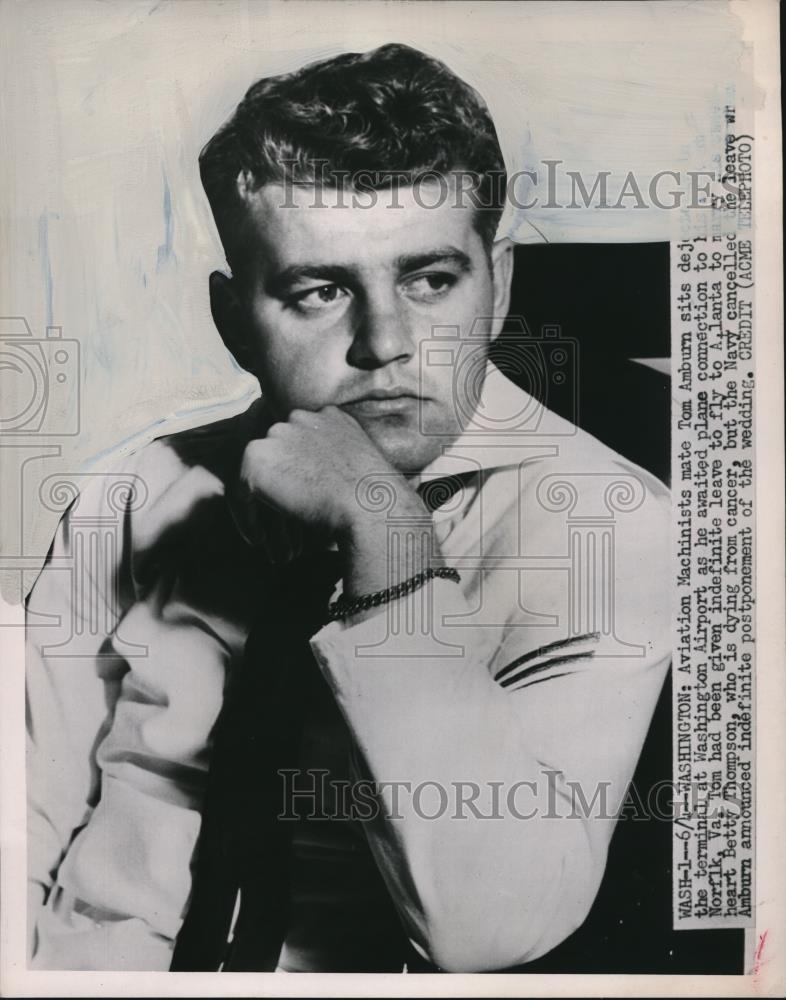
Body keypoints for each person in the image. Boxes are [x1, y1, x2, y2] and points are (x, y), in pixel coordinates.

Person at [25, 43, 670, 973]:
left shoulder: (612, 525)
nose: (386, 344)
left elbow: (490, 926)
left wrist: (388, 534)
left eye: (431, 280)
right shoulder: (130, 492)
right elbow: (25, 820)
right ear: (234, 320)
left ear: (500, 291)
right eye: (319, 291)